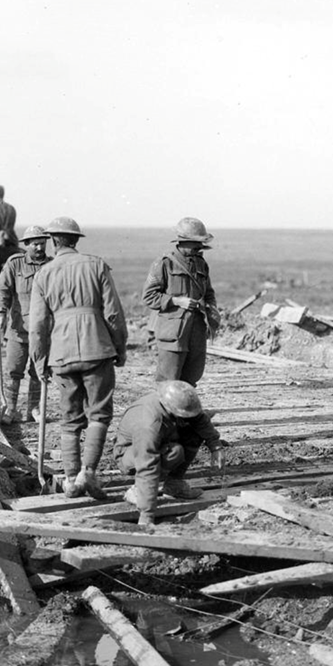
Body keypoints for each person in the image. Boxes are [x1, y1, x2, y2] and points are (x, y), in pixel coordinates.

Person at [29, 216, 128, 499]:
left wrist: (39, 361)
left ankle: (71, 480)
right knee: (99, 414)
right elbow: (113, 314)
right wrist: (120, 347)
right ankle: (89, 472)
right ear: (76, 240)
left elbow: (37, 326)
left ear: (53, 241)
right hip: (98, 348)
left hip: (61, 354)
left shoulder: (43, 274)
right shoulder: (96, 265)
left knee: (69, 419)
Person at [113, 380, 226, 526]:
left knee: (193, 433)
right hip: (131, 453)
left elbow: (199, 418)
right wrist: (147, 514)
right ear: (170, 409)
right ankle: (138, 490)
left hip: (163, 439)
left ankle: (174, 484)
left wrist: (215, 446)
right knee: (174, 452)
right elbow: (147, 464)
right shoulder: (149, 424)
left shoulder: (174, 403)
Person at [142, 217, 220, 385]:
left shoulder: (201, 264)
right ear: (183, 241)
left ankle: (186, 403)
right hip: (173, 333)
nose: (199, 247)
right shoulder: (164, 264)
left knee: (191, 378)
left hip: (196, 331)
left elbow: (209, 293)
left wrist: (212, 313)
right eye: (196, 243)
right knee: (168, 380)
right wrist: (176, 301)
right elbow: (149, 296)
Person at [0, 225, 52, 424]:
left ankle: (34, 409)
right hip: (19, 329)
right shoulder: (15, 264)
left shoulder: (52, 265)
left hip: (43, 331)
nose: (40, 248)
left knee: (39, 371)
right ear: (26, 245)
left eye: (42, 244)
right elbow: (2, 290)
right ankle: (10, 409)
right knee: (13, 370)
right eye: (35, 244)